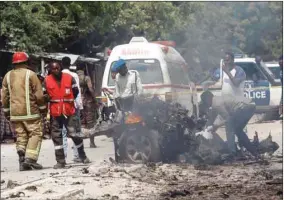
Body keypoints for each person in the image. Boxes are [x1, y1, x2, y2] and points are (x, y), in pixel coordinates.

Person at [1, 52, 46, 171]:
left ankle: (21, 155)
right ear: (26, 62)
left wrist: (7, 111)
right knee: (35, 133)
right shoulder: (31, 74)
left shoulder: (7, 76)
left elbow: (4, 97)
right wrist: (43, 109)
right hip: (31, 112)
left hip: (15, 113)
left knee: (21, 135)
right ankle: (30, 159)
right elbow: (39, 95)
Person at [44, 62, 90, 169]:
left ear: (60, 68)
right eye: (53, 68)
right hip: (55, 113)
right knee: (57, 137)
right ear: (50, 70)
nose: (56, 70)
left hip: (69, 111)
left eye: (57, 68)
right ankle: (60, 161)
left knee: (74, 134)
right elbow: (45, 94)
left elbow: (75, 91)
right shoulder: (47, 80)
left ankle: (82, 156)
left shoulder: (69, 78)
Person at [199, 90, 258, 157]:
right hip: (251, 105)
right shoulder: (217, 100)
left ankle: (232, 152)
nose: (206, 105)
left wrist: (215, 126)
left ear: (207, 99)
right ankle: (253, 151)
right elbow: (212, 118)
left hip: (244, 107)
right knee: (238, 130)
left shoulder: (216, 104)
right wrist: (206, 129)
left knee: (229, 127)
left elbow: (227, 119)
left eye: (204, 102)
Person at [61, 56, 83, 161]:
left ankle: (63, 156)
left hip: (61, 107)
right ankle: (77, 155)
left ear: (61, 64)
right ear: (70, 64)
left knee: (63, 132)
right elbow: (77, 91)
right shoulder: (74, 75)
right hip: (73, 106)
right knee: (75, 130)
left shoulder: (57, 75)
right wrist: (79, 105)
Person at [77, 63, 98, 148]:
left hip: (78, 103)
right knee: (91, 123)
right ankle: (92, 143)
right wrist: (95, 100)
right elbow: (90, 89)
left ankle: (78, 144)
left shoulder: (74, 78)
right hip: (88, 102)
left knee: (80, 123)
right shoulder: (86, 78)